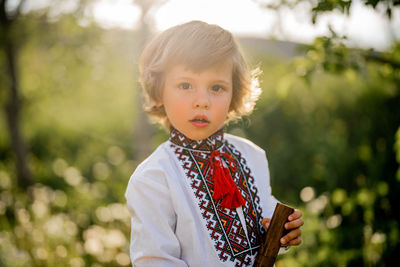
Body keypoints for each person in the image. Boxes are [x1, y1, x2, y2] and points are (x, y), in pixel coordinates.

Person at [125, 20, 303, 267]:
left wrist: (282, 232)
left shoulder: (252, 156)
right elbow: (155, 261)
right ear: (159, 92)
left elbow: (264, 225)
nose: (202, 101)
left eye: (217, 87)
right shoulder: (153, 178)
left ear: (234, 94)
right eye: (185, 85)